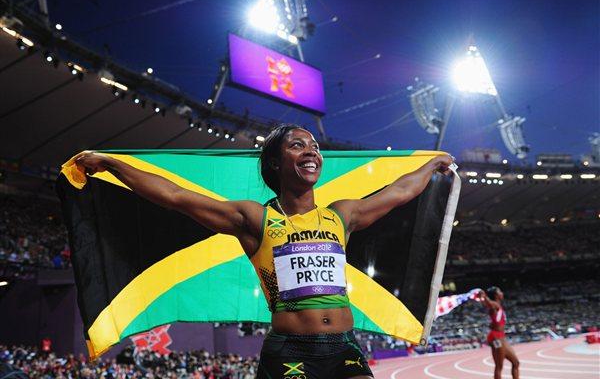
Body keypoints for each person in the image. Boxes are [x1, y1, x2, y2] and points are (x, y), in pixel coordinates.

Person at [75, 123, 453, 379]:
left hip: (344, 346)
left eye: (315, 146)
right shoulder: (255, 218)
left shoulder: (343, 214)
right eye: (298, 145)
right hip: (291, 351)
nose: (312, 152)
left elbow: (400, 192)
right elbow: (176, 197)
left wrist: (433, 164)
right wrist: (111, 164)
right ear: (276, 162)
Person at [479, 287, 520, 379]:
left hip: (501, 337)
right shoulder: (495, 305)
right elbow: (488, 304)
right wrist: (484, 296)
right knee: (499, 366)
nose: (502, 293)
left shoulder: (497, 306)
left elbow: (496, 318)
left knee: (515, 362)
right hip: (496, 337)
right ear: (496, 295)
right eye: (500, 292)